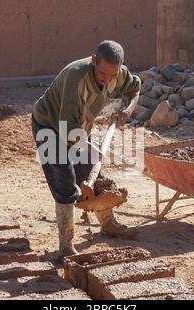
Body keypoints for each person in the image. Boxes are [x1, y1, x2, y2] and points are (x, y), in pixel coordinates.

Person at [31, 40, 141, 257]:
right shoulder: (75, 77)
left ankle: (108, 224)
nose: (108, 79)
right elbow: (66, 129)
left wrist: (127, 110)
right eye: (102, 75)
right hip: (50, 127)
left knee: (95, 176)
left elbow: (134, 89)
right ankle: (66, 245)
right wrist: (92, 147)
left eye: (113, 75)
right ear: (93, 61)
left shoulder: (117, 73)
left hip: (79, 125)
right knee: (65, 178)